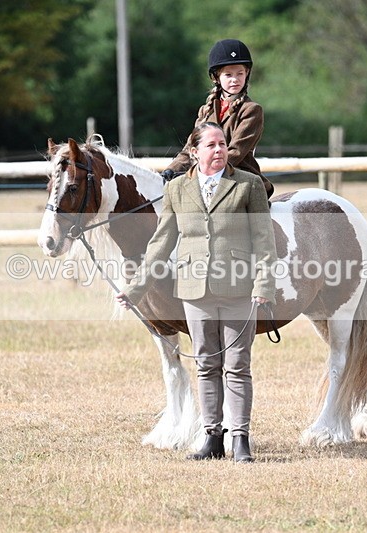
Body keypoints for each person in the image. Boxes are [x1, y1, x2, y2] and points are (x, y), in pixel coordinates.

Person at [117, 122, 276, 463]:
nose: (219, 150)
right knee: (206, 364)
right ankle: (212, 438)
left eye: (222, 144)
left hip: (238, 287)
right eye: (212, 145)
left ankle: (241, 439)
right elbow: (161, 244)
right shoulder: (177, 190)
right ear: (194, 152)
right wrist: (134, 289)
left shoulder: (248, 185)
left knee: (237, 365)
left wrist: (264, 283)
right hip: (193, 289)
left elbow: (264, 240)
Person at [163, 39, 274, 199]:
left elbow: (235, 152)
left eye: (240, 74)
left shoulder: (251, 110)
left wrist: (202, 173)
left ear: (247, 74)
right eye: (228, 75)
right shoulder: (205, 111)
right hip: (207, 179)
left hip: (240, 180)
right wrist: (171, 170)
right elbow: (190, 150)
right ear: (216, 77)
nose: (234, 79)